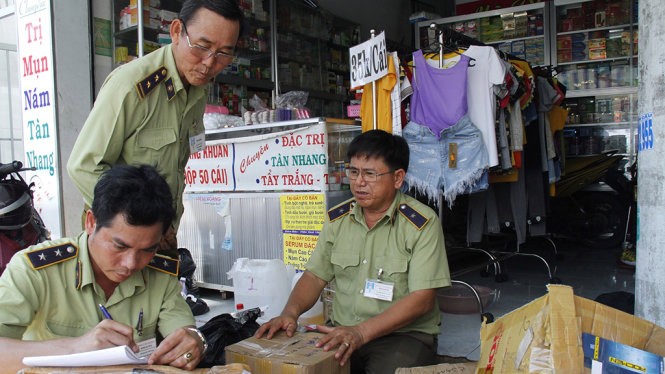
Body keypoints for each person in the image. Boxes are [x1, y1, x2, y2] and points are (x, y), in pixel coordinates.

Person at [255, 130, 452, 373]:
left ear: (398, 178)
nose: (359, 182)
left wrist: (361, 332)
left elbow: (422, 300)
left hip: (402, 335)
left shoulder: (421, 223)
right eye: (354, 172)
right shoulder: (338, 219)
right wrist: (290, 313)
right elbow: (315, 276)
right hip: (342, 330)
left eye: (370, 174)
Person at [67, 0, 244, 257]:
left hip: (161, 240)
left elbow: (176, 166)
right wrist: (140, 224)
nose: (209, 63)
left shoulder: (197, 90)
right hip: (118, 246)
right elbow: (83, 166)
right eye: (202, 47)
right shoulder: (131, 85)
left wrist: (165, 229)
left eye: (223, 53)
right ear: (176, 32)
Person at [0, 165, 207, 373]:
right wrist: (76, 347)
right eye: (120, 246)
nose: (131, 263)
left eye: (147, 250)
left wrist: (194, 341)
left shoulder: (159, 274)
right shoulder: (35, 270)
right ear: (91, 222)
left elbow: (184, 332)